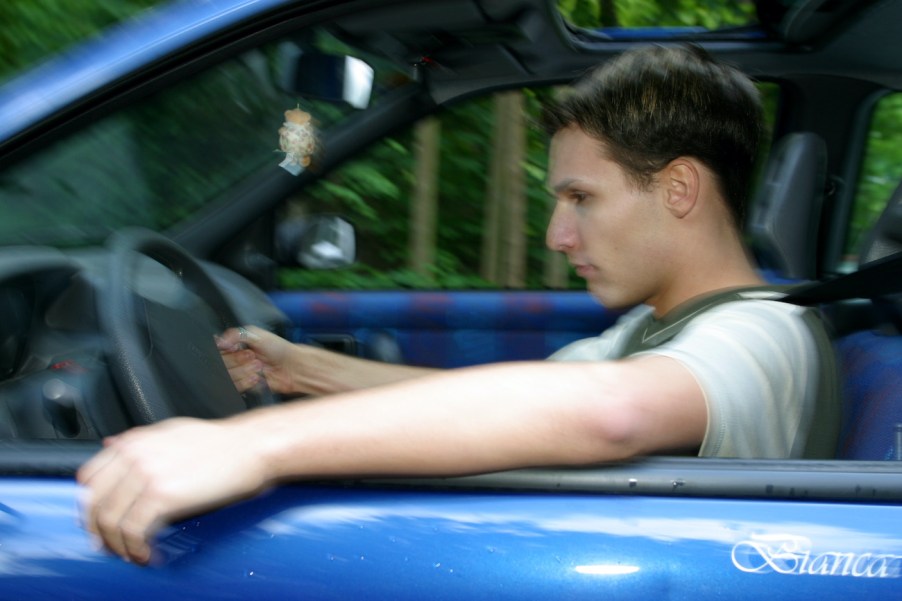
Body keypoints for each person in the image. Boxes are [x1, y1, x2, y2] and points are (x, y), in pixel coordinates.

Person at [77, 44, 839, 565]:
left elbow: (609, 410)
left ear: (678, 189)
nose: (556, 233)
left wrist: (253, 444)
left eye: (581, 198)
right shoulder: (657, 326)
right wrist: (303, 369)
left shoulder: (764, 332)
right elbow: (493, 402)